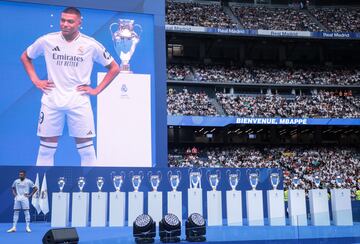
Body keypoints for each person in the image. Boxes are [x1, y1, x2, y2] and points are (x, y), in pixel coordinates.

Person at [20, 7, 120, 166]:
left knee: (86, 150)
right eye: (62, 20)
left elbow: (114, 68)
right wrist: (36, 80)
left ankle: (90, 189)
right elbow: (25, 57)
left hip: (79, 102)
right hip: (51, 100)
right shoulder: (47, 40)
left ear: (79, 23)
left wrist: (97, 90)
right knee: (46, 149)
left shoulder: (90, 44)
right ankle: (43, 190)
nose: (65, 24)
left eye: (70, 21)